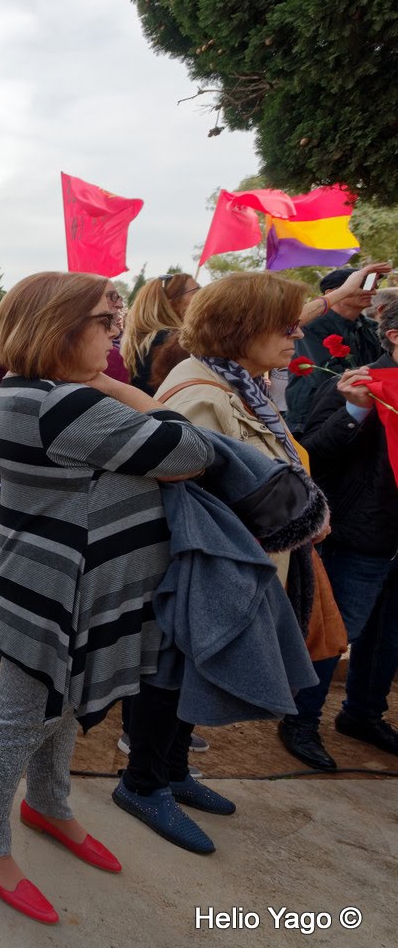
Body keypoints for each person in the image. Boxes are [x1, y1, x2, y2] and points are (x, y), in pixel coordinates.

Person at [0, 272, 213, 923]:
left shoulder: (36, 390)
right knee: (22, 714)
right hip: (53, 593)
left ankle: (48, 805)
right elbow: (191, 448)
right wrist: (110, 385)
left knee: (64, 706)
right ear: (59, 328)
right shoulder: (64, 404)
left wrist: (99, 381)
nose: (116, 332)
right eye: (105, 321)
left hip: (59, 586)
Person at [157, 272, 339, 777]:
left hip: (241, 568)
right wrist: (297, 520)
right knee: (177, 682)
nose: (296, 334)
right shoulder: (204, 394)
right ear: (242, 327)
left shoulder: (236, 384)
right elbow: (195, 505)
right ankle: (152, 785)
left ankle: (169, 777)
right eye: (284, 326)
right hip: (217, 574)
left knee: (182, 691)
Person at [298, 299, 398, 757]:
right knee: (336, 633)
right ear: (394, 336)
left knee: (387, 635)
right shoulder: (355, 382)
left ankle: (362, 714)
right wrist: (354, 411)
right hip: (360, 533)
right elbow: (311, 453)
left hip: (393, 538)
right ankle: (301, 722)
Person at [286, 263, 393, 429]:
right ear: (332, 294)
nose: (372, 291)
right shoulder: (309, 327)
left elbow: (386, 365)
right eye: (361, 285)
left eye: (374, 285)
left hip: (361, 412)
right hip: (315, 417)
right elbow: (323, 376)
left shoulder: (371, 327)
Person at [122, 272, 201, 394]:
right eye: (196, 291)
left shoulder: (145, 339)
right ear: (172, 303)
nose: (202, 295)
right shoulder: (170, 342)